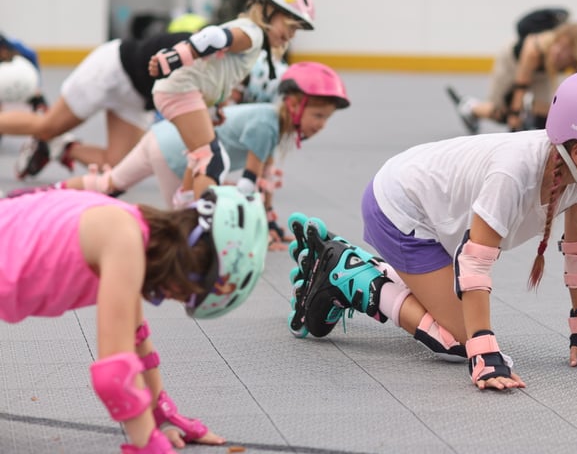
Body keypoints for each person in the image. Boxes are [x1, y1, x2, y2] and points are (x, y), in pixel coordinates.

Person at [286, 71, 577, 390]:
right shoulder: (512, 174)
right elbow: (476, 262)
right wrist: (484, 349)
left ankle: (370, 272)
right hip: (399, 207)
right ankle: (350, 272)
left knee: (465, 328)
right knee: (456, 343)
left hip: (435, 212)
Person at [0, 185, 268, 452]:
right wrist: (148, 444)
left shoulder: (132, 226)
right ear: (190, 260)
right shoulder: (124, 241)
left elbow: (136, 337)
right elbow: (114, 375)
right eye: (187, 291)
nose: (175, 298)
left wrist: (160, 413)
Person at [45, 62, 350, 251]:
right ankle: (115, 237)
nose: (320, 125)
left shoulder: (272, 120)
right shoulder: (267, 125)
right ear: (294, 104)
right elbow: (250, 186)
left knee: (108, 182)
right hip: (175, 155)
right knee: (180, 228)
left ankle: (44, 197)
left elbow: (263, 181)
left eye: (326, 119)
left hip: (161, 137)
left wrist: (270, 224)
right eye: (318, 115)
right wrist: (256, 234)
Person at [147, 0, 315, 200]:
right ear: (269, 11)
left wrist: (215, 107)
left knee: (199, 158)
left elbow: (218, 72)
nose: (291, 37)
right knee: (213, 161)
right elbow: (214, 37)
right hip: (181, 89)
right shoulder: (253, 33)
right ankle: (202, 222)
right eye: (291, 27)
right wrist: (175, 57)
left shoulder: (253, 38)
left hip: (186, 90)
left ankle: (185, 213)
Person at [5, 31, 194, 180]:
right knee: (47, 127)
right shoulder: (204, 47)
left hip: (137, 98)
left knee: (115, 167)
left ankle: (59, 146)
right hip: (114, 68)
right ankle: (48, 137)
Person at [447, 18, 577, 134]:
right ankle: (469, 108)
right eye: (558, 44)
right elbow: (521, 84)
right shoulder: (537, 48)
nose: (558, 51)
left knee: (548, 112)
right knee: (502, 112)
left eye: (566, 49)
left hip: (541, 73)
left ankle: (524, 116)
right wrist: (514, 116)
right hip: (512, 63)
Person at [0, 33, 47, 116]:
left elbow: (33, 56)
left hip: (24, 78)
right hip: (4, 81)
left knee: (37, 95)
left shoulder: (17, 46)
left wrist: (37, 85)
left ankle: (43, 115)